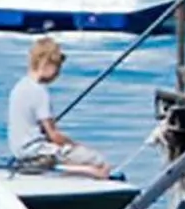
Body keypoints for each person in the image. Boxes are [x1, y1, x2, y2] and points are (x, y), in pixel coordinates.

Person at [7, 36, 113, 177]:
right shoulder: (39, 91)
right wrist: (75, 145)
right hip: (38, 151)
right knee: (98, 160)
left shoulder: (19, 87)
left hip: (19, 150)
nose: (58, 74)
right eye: (57, 68)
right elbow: (53, 134)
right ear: (47, 64)